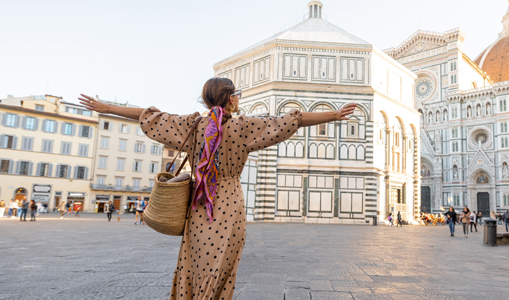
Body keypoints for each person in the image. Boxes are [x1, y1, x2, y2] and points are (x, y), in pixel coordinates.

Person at [78, 77, 356, 299]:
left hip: (199, 207)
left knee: (193, 262)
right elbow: (289, 120)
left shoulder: (192, 125)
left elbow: (151, 116)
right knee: (223, 265)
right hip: (229, 205)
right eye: (238, 95)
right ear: (231, 99)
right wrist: (333, 115)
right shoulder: (244, 127)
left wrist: (108, 108)